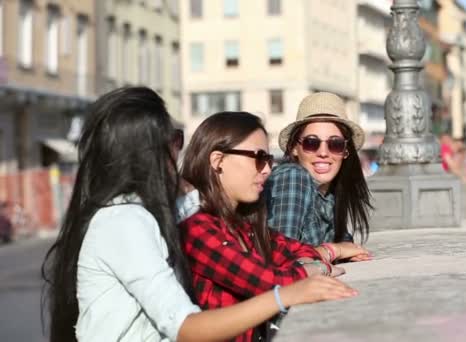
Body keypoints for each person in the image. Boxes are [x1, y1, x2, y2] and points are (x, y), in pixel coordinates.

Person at [41, 87, 356, 342]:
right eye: (174, 141)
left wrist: (329, 251)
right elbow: (185, 327)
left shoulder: (159, 212)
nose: (268, 168)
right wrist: (286, 294)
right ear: (149, 152)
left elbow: (281, 245)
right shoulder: (125, 221)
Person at [180, 111, 350, 341]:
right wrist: (320, 268)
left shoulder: (243, 223)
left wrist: (331, 252)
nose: (268, 169)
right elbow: (268, 282)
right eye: (258, 158)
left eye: (268, 160)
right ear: (218, 161)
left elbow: (297, 249)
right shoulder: (197, 229)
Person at [265, 92, 373, 264]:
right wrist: (334, 250)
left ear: (345, 151)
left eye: (335, 144)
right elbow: (280, 260)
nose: (323, 153)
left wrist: (345, 249)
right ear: (294, 147)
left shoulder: (330, 196)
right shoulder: (293, 178)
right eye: (311, 142)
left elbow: (345, 243)